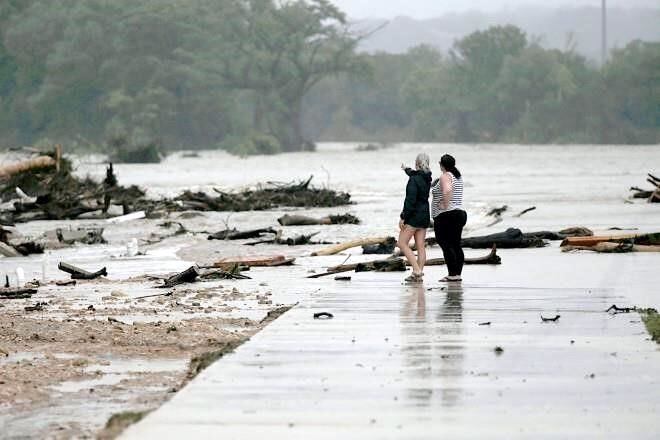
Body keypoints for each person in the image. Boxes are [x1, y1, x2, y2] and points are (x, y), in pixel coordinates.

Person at [432, 154, 467, 282]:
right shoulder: (458, 176)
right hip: (459, 213)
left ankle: (452, 274)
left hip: (447, 215)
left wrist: (444, 204)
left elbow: (447, 190)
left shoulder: (445, 176)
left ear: (441, 164)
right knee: (456, 245)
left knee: (445, 243)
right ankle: (457, 274)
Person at [399, 153, 432, 283]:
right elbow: (414, 174)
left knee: (402, 243)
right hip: (424, 215)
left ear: (417, 163)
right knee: (420, 246)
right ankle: (417, 273)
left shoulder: (414, 180)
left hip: (414, 216)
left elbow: (410, 201)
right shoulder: (427, 177)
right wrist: (406, 169)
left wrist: (403, 217)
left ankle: (417, 270)